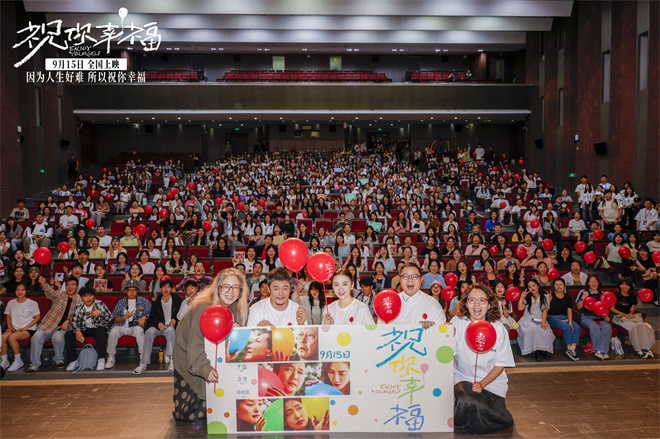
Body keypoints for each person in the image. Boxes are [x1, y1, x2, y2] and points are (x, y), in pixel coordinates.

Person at [173, 267, 249, 422]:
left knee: (220, 406)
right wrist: (205, 369)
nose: (230, 291)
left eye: (235, 287)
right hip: (189, 355)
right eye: (226, 286)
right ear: (218, 288)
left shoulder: (236, 308)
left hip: (213, 355)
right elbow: (196, 344)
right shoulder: (203, 307)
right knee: (192, 414)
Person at [452, 283, 515, 435]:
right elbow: (446, 355)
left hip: (492, 383)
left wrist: (482, 384)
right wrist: (446, 334)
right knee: (467, 400)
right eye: (472, 300)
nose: (477, 304)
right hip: (462, 378)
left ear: (489, 304)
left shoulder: (498, 329)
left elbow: (501, 365)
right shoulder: (456, 323)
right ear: (466, 304)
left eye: (482, 300)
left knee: (476, 405)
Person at [26, 276, 82, 373]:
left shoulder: (79, 300)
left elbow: (79, 315)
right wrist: (43, 283)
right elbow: (50, 292)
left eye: (73, 285)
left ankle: (58, 359)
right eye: (68, 284)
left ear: (77, 287)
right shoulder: (60, 294)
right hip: (49, 324)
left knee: (58, 337)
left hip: (63, 327)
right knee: (36, 337)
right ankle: (34, 364)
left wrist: (68, 320)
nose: (70, 287)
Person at [134, 278, 183, 374]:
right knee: (148, 332)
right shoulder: (157, 302)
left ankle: (172, 359)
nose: (166, 289)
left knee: (171, 331)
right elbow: (152, 317)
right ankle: (144, 363)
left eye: (168, 287)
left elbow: (181, 313)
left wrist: (175, 319)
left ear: (171, 289)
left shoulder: (177, 300)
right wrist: (158, 324)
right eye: (164, 287)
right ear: (160, 289)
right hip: (158, 326)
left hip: (170, 327)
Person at [378, 263, 445, 328]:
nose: (410, 280)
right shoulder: (389, 304)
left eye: (414, 277)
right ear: (400, 279)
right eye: (405, 276)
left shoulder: (433, 304)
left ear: (421, 280)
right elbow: (381, 332)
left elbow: (441, 335)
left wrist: (432, 329)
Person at [105, 280, 152, 369]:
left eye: (134, 290)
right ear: (126, 291)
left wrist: (144, 317)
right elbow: (115, 319)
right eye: (129, 290)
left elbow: (151, 313)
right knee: (113, 331)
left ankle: (143, 358)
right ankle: (111, 357)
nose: (131, 292)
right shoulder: (121, 302)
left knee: (139, 330)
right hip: (121, 326)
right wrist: (124, 317)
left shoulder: (144, 301)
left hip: (135, 326)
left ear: (137, 290)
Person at [64, 286, 113, 371]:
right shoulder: (79, 306)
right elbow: (73, 322)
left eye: (90, 295)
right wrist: (78, 331)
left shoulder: (100, 304)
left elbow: (110, 318)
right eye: (85, 296)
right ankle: (73, 360)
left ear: (93, 296)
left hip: (97, 327)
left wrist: (100, 313)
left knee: (101, 331)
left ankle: (101, 358)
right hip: (84, 328)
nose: (88, 298)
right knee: (68, 334)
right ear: (82, 297)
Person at [0, 282, 40, 372]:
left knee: (11, 337)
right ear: (15, 291)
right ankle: (4, 360)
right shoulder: (11, 303)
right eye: (18, 290)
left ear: (27, 291)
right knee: (3, 337)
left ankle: (18, 360)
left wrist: (26, 327)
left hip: (28, 329)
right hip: (14, 328)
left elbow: (38, 317)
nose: (20, 292)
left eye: (22, 290)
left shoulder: (32, 303)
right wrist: (10, 326)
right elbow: (8, 315)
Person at [611, 278, 654, 359]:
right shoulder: (615, 294)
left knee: (642, 325)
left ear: (630, 286)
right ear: (619, 285)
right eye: (622, 284)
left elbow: (632, 308)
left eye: (627, 285)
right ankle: (638, 350)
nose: (624, 286)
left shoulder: (632, 296)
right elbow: (612, 309)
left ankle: (646, 348)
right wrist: (624, 314)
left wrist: (630, 313)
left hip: (629, 318)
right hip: (618, 317)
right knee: (633, 327)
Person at [516, 279, 555, 361]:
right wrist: (522, 297)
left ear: (538, 286)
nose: (532, 288)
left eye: (534, 285)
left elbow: (545, 311)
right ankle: (536, 351)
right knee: (534, 328)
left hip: (540, 319)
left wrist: (543, 322)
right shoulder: (527, 297)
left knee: (546, 329)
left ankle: (542, 350)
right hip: (527, 319)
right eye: (529, 287)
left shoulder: (545, 297)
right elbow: (520, 308)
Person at [576, 275, 613, 360]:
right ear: (588, 283)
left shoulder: (602, 294)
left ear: (598, 283)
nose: (593, 283)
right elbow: (578, 307)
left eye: (595, 281)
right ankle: (597, 351)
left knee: (608, 327)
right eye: (591, 281)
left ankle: (603, 351)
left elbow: (605, 308)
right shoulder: (583, 292)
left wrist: (606, 316)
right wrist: (583, 297)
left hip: (600, 317)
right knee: (594, 327)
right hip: (587, 317)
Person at [546, 278, 581, 361]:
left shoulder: (568, 297)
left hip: (565, 317)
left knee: (577, 328)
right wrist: (549, 301)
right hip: (554, 318)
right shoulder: (550, 296)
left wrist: (570, 321)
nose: (559, 286)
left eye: (561, 284)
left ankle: (572, 348)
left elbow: (569, 310)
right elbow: (545, 310)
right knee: (567, 327)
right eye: (556, 284)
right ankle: (569, 347)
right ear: (553, 286)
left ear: (564, 286)